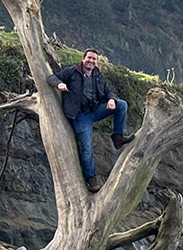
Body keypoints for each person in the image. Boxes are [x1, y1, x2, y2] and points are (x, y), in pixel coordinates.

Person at [47, 48, 135, 192]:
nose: (91, 61)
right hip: (80, 115)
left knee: (122, 105)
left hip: (95, 110)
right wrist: (59, 84)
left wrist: (111, 99)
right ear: (83, 59)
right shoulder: (73, 72)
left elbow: (108, 91)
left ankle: (117, 137)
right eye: (89, 58)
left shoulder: (97, 75)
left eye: (94, 59)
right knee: (86, 148)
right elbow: (51, 78)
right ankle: (91, 179)